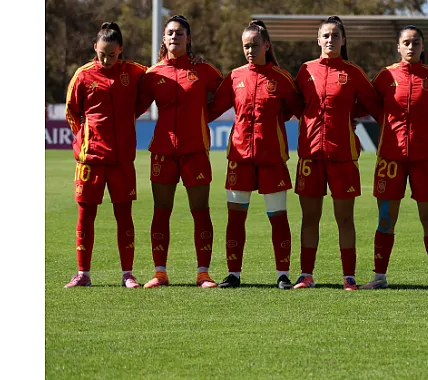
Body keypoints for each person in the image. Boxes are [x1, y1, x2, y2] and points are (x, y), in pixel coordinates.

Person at [207, 20, 302, 290]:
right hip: (239, 158)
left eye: (254, 45)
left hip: (272, 159)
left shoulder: (281, 78)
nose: (250, 50)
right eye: (246, 46)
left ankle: (283, 274)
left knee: (278, 217)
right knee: (235, 217)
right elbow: (212, 109)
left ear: (266, 46)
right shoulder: (235, 77)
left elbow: (299, 109)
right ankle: (233, 274)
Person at [291, 16, 382, 290]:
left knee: (345, 219)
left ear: (343, 41)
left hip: (343, 156)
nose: (330, 40)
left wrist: (351, 115)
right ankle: (306, 275)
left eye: (335, 36)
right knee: (310, 218)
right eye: (326, 36)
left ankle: (349, 276)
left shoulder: (353, 73)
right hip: (310, 155)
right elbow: (296, 104)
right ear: (318, 40)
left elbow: (373, 103)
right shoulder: (305, 71)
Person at [359, 26, 428, 290]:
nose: (411, 47)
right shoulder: (385, 76)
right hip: (390, 159)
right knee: (386, 219)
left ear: (423, 47)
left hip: (425, 160)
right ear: (398, 47)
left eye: (416, 42)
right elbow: (371, 103)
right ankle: (379, 278)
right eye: (406, 43)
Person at [135, 15, 223, 289]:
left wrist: (203, 117)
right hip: (162, 151)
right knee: (161, 211)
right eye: (170, 33)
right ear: (164, 39)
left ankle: (203, 273)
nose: (175, 37)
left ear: (188, 39)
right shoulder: (153, 74)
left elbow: (227, 95)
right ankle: (160, 273)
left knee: (201, 211)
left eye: (180, 33)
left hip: (196, 150)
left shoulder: (204, 71)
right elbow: (133, 108)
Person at [64, 23, 147, 288]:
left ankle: (128, 274)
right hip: (91, 160)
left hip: (122, 159)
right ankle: (82, 274)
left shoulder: (134, 72)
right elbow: (71, 111)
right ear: (94, 49)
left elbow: (161, 75)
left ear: (120, 49)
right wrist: (84, 139)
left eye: (112, 54)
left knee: (124, 217)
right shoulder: (83, 75)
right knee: (85, 217)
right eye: (101, 54)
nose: (106, 59)